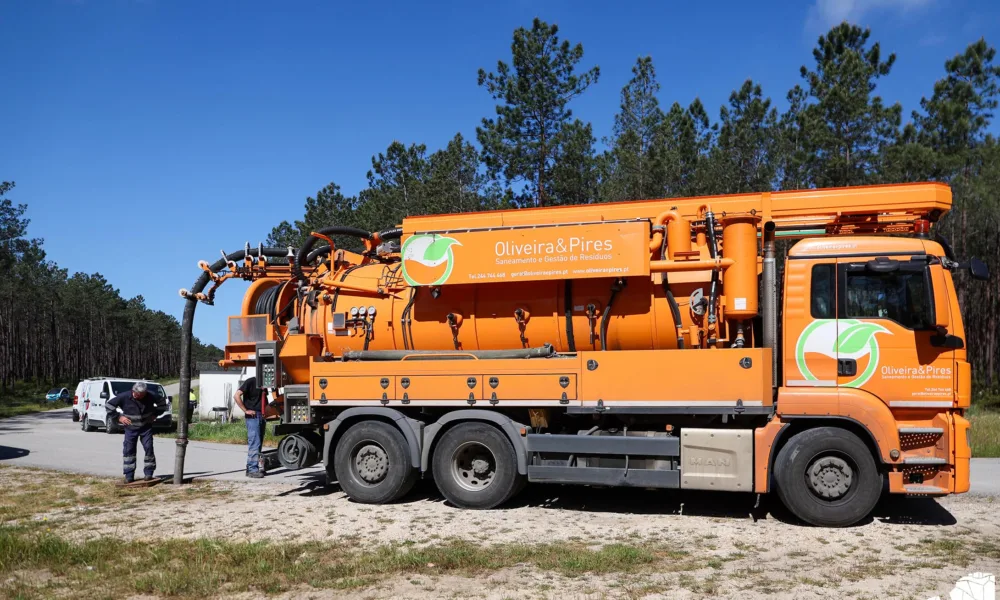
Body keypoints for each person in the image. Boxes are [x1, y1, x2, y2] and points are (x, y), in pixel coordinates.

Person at [107, 382, 167, 483]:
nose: (138, 397)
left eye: (141, 395)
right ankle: (129, 475)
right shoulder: (124, 396)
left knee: (148, 448)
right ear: (133, 391)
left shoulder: (151, 395)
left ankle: (149, 473)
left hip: (146, 427)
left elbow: (163, 404)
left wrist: (155, 414)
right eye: (136, 394)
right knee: (129, 450)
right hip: (130, 428)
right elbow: (109, 405)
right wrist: (119, 417)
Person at [234, 376, 267, 478]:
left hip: (261, 416)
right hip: (253, 416)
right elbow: (236, 395)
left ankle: (251, 467)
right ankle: (252, 469)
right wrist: (245, 410)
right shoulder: (251, 381)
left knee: (258, 443)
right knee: (255, 443)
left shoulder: (265, 384)